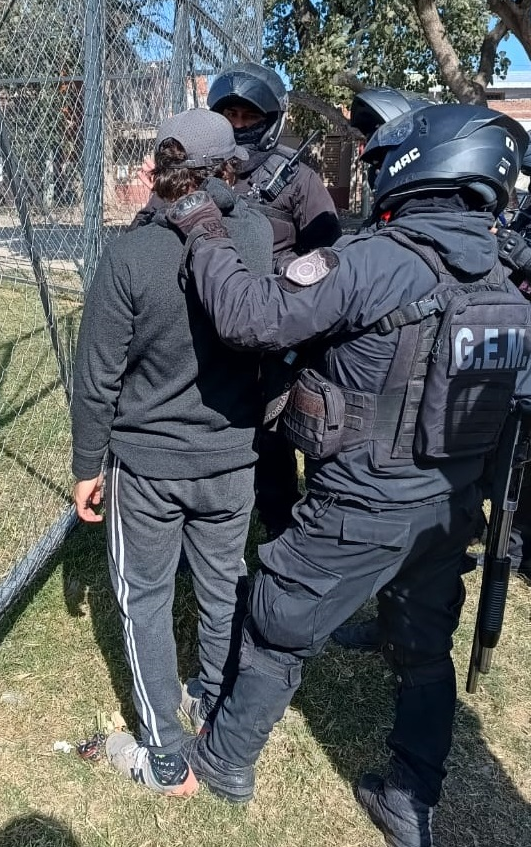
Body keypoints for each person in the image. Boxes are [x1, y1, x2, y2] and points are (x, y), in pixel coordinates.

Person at [163, 104, 530, 846]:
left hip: (361, 505)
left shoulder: (374, 261)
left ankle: (224, 761)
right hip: (448, 510)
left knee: (274, 624)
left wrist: (202, 227)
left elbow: (251, 316)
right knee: (425, 650)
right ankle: (410, 798)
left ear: (415, 168)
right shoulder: (503, 279)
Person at [70, 108, 275, 796]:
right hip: (231, 461)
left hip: (148, 467)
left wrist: (86, 465)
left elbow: (97, 376)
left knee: (145, 598)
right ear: (228, 168)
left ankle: (164, 753)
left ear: (161, 170)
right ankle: (214, 703)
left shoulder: (130, 254)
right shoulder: (255, 236)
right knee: (223, 585)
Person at [332, 90, 531, 655]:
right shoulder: (384, 239)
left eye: (380, 158)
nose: (373, 169)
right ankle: (393, 628)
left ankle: (414, 639)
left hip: (469, 425)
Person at [208, 62, 342, 540]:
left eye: (250, 116)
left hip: (273, 329)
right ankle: (204, 518)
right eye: (231, 116)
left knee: (273, 434)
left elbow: (329, 253)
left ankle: (279, 523)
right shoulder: (203, 171)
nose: (240, 124)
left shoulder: (299, 179)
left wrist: (287, 280)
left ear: (271, 119)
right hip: (211, 320)